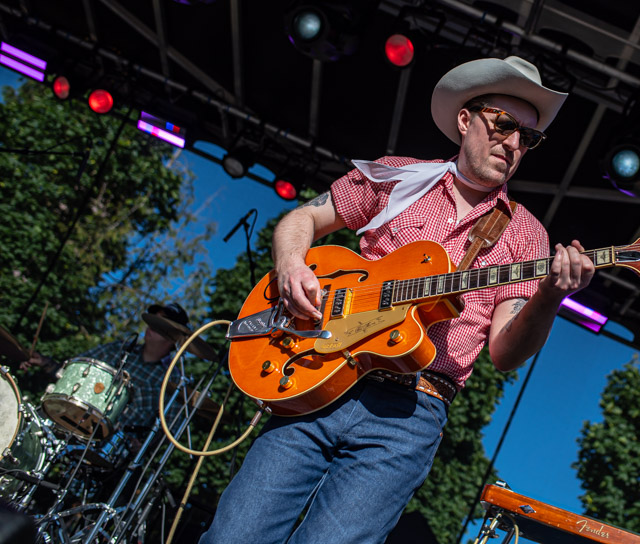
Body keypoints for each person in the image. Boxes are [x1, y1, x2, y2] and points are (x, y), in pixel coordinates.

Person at [200, 56, 595, 544]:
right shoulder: (397, 177)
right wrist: (291, 266)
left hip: (409, 415)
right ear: (466, 120)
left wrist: (551, 297)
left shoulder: (526, 233)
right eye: (505, 125)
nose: (514, 143)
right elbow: (302, 220)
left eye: (528, 138)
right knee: (232, 536)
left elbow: (504, 352)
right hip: (319, 376)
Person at [23, 302, 190, 431]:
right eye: (152, 322)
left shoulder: (173, 379)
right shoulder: (120, 348)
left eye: (159, 326)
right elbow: (78, 369)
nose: (150, 328)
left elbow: (169, 429)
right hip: (72, 417)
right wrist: (46, 363)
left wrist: (139, 446)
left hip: (112, 447)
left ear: (173, 337)